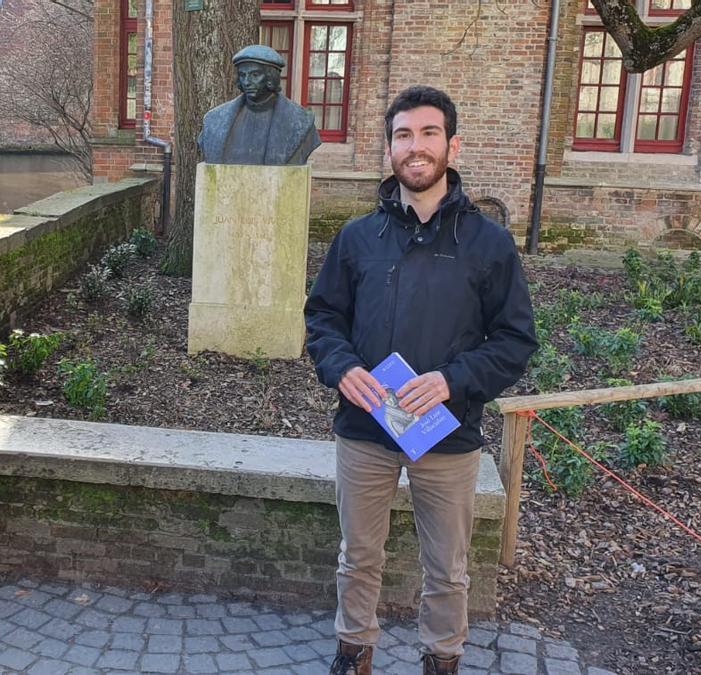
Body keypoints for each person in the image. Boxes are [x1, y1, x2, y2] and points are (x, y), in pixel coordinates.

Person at [304, 86, 537, 675]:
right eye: (403, 135)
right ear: (389, 150)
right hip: (365, 429)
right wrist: (342, 367)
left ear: (451, 145)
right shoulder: (358, 238)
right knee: (358, 556)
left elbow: (515, 341)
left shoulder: (488, 244)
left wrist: (452, 381)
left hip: (446, 433)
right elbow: (323, 318)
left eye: (429, 133)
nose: (416, 147)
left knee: (448, 566)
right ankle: (354, 651)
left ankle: (442, 658)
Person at [197, 44, 321, 166]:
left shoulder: (301, 123)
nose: (246, 82)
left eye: (255, 75)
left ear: (270, 77)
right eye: (242, 75)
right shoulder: (213, 121)